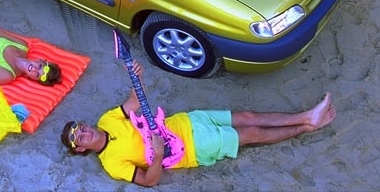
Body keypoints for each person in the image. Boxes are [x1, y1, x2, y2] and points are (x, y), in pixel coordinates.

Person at [60, 60, 336, 187]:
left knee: (248, 116)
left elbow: (135, 102)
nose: (82, 132)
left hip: (188, 120)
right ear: (80, 149)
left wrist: (136, 77)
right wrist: (158, 154)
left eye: (79, 127)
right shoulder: (111, 163)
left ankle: (306, 117)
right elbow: (147, 181)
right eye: (77, 137)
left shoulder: (106, 120)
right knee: (250, 132)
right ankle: (306, 126)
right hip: (192, 148)